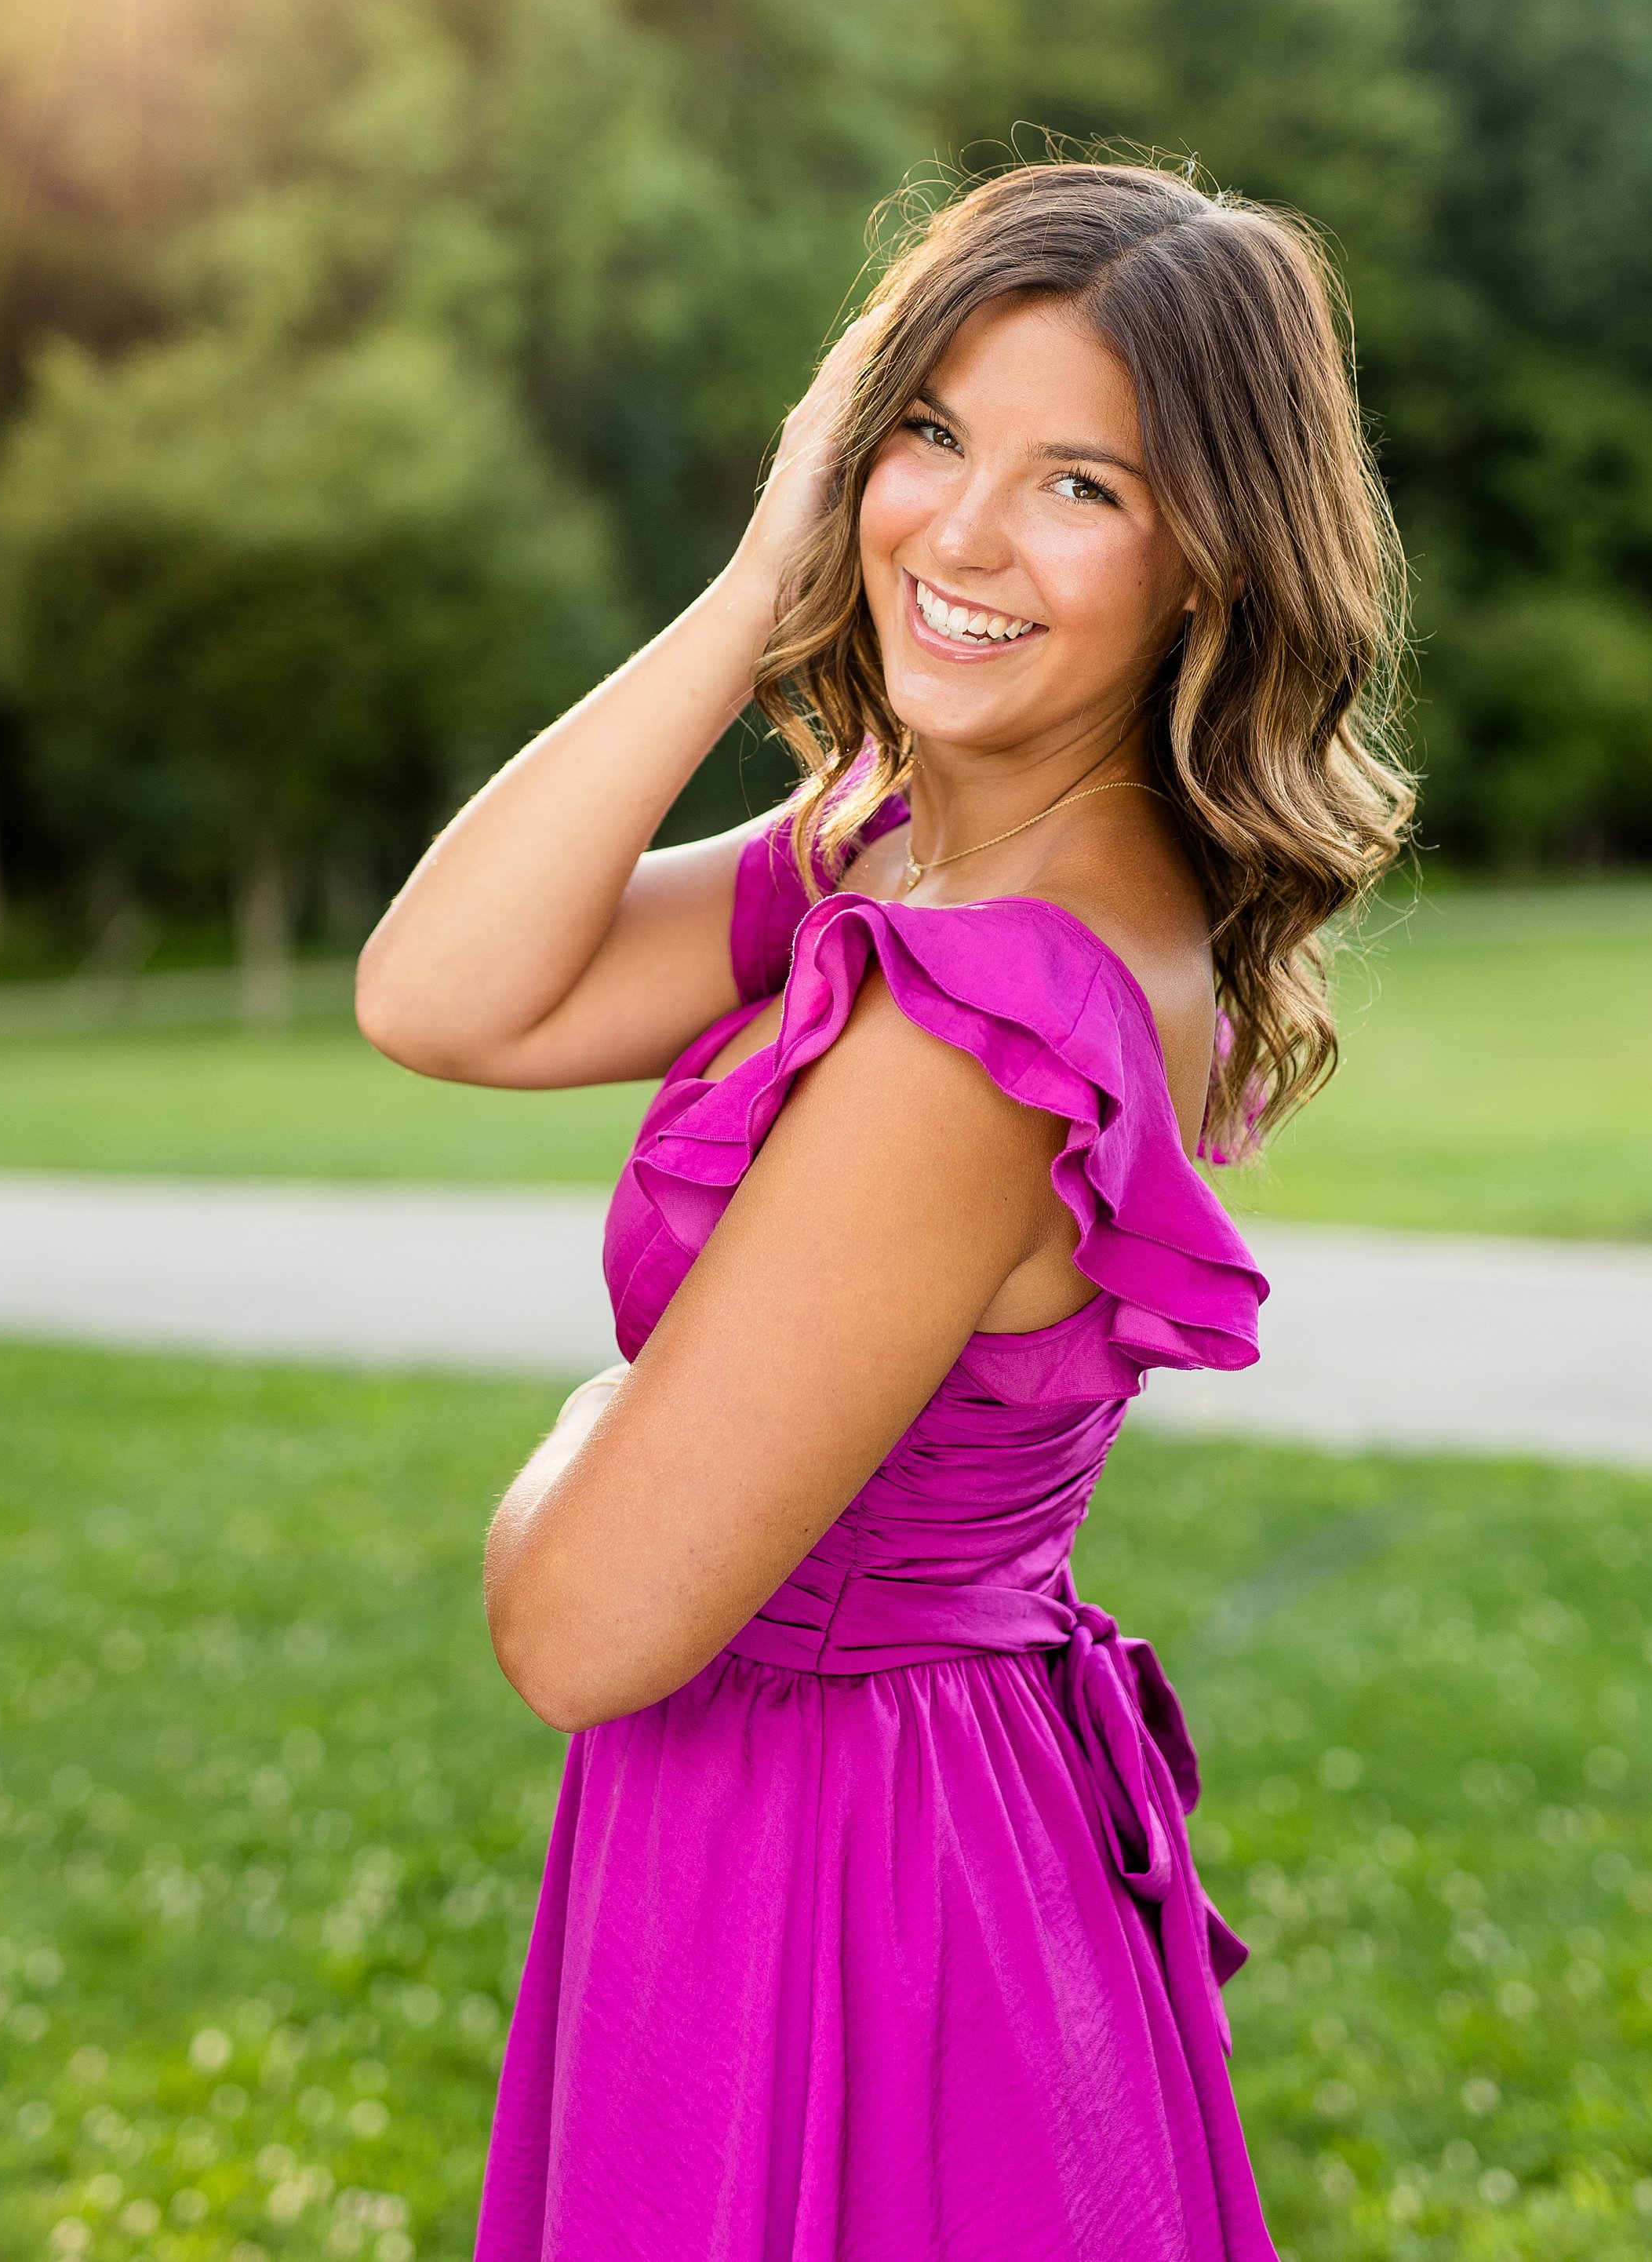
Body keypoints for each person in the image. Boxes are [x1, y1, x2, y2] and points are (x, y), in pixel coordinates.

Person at [356, 158, 1414, 2262]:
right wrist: (761, 578)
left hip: (847, 1877)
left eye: (1078, 484)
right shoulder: (893, 848)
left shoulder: (977, 1016)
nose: (957, 526)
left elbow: (583, 1621)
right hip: (863, 1818)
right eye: (925, 430)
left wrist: (605, 1419)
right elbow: (444, 996)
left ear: (1211, 556)